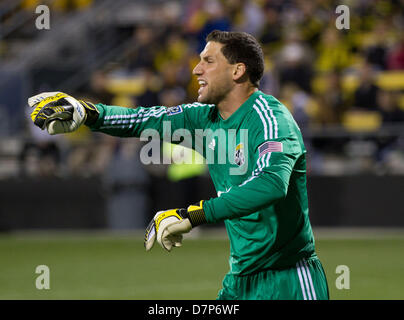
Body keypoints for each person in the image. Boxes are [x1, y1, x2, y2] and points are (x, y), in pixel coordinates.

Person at [27, 30, 329, 300]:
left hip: (289, 280)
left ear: (238, 70)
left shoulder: (270, 119)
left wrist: (193, 214)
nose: (196, 69)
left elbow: (271, 185)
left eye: (208, 61)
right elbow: (147, 119)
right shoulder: (204, 117)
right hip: (240, 281)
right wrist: (89, 113)